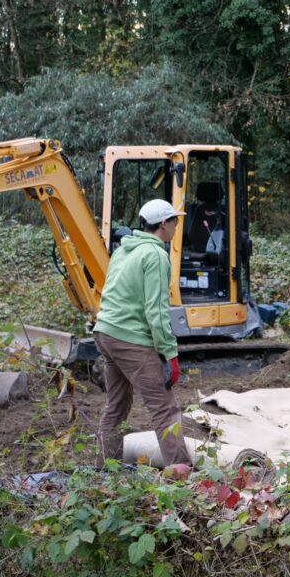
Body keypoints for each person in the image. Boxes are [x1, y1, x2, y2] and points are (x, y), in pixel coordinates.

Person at [93, 198, 192, 473]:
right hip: (129, 339)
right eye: (174, 221)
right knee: (164, 407)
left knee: (116, 406)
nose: (176, 226)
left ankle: (104, 472)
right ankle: (183, 473)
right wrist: (170, 353)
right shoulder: (155, 255)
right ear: (163, 224)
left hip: (105, 333)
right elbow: (156, 311)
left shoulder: (123, 251)